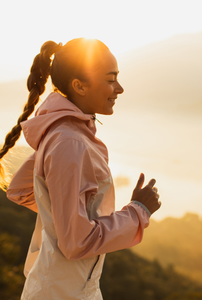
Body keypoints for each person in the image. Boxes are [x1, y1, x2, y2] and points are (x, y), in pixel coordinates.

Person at [0, 38, 161, 300]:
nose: (119, 88)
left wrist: (65, 215)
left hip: (66, 286)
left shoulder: (64, 133)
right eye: (111, 79)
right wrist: (138, 211)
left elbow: (20, 190)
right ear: (79, 86)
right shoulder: (69, 141)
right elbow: (77, 242)